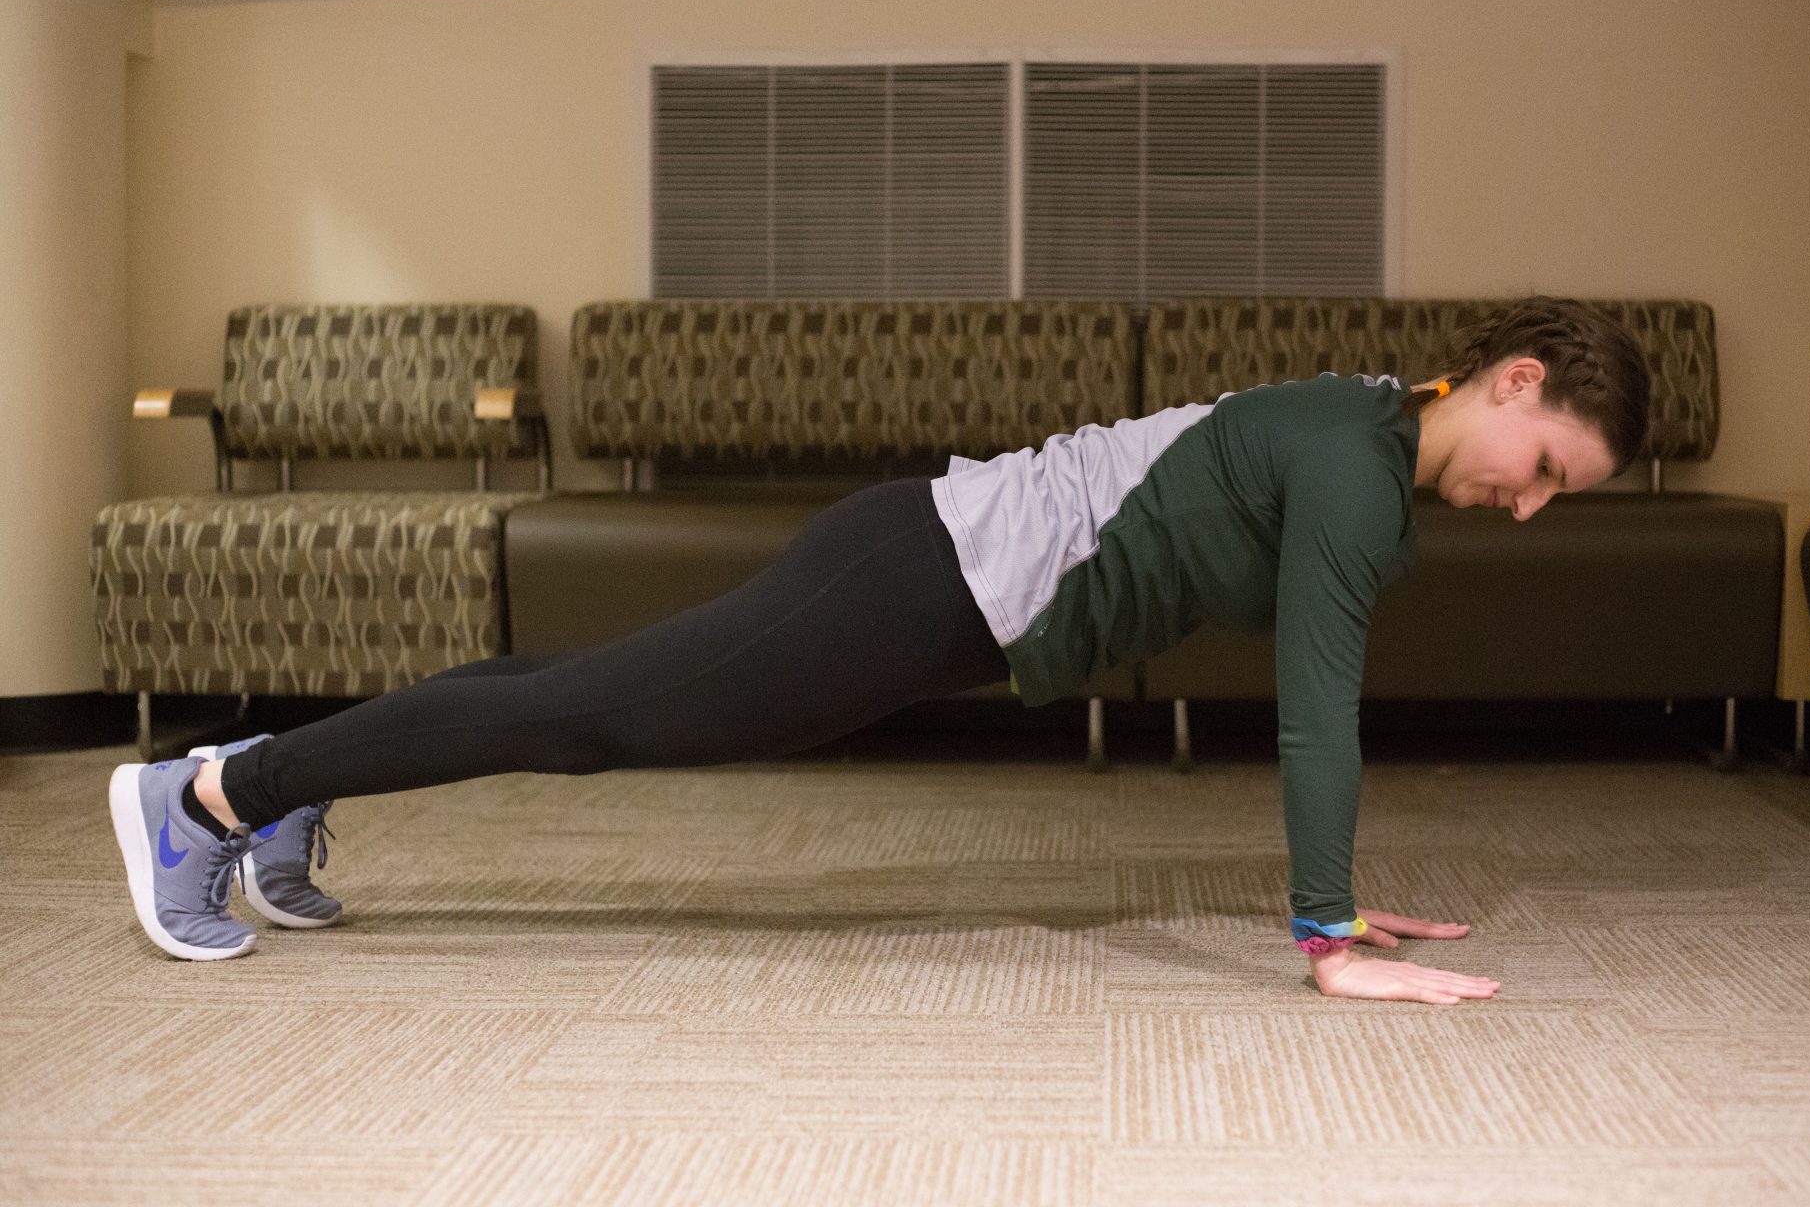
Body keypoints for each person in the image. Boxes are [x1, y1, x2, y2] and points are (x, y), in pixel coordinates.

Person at [108, 295, 1650, 1006]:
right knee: (592, 714)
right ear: (1516, 381)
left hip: (932, 577)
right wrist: (1324, 934)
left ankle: (275, 777)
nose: (1527, 507)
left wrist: (1334, 899)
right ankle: (204, 801)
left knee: (585, 695)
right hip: (925, 578)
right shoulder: (1362, 468)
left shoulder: (1369, 416)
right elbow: (1320, 707)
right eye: (1545, 471)